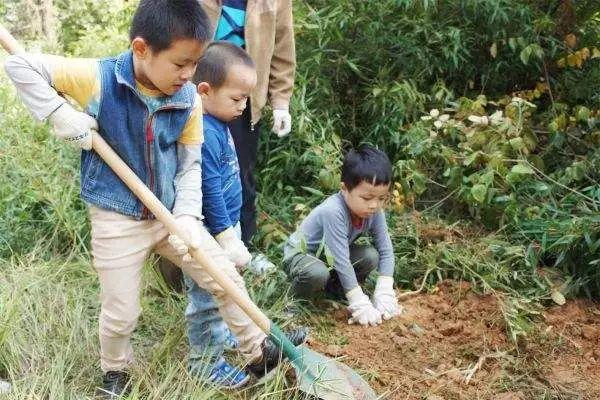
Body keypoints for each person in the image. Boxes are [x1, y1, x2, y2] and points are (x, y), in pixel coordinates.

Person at [4, 0, 303, 396]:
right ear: (142, 49)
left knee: (223, 274)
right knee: (121, 313)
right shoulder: (99, 78)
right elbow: (19, 65)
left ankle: (257, 351)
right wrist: (60, 114)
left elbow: (190, 165)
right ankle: (115, 373)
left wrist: (187, 218)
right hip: (117, 216)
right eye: (181, 64)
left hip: (169, 214)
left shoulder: (189, 100)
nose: (189, 75)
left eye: (195, 64)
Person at [183, 41, 307, 388]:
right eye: (236, 99)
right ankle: (203, 363)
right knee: (207, 296)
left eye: (246, 99)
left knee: (224, 290)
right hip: (208, 232)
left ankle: (223, 341)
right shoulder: (204, 130)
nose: (243, 107)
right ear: (204, 92)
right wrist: (225, 233)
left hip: (225, 226)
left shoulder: (219, 122)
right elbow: (208, 189)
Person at [282, 145, 403, 326]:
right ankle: (292, 303)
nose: (374, 205)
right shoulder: (334, 211)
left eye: (381, 198)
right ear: (345, 189)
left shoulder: (375, 211)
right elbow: (341, 260)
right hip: (301, 256)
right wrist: (358, 300)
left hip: (329, 258)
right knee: (316, 272)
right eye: (367, 198)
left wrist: (385, 288)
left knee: (370, 256)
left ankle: (335, 290)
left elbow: (386, 251)